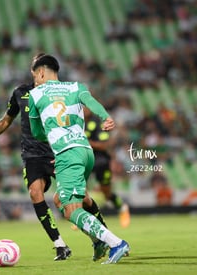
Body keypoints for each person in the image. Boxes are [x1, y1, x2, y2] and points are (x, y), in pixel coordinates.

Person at [0, 54, 109, 261]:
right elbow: (6, 120)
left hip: (57, 149)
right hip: (32, 155)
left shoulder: (61, 91)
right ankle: (60, 245)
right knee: (35, 192)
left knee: (81, 199)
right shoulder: (21, 93)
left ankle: (102, 235)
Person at [28, 54, 130, 264]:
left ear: (40, 72)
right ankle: (98, 240)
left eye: (35, 76)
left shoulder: (36, 94)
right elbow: (92, 102)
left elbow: (36, 133)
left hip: (67, 153)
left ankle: (116, 243)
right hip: (85, 151)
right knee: (62, 200)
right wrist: (106, 117)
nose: (35, 80)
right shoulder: (76, 87)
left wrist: (53, 136)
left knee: (72, 211)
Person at [84, 108, 130, 228]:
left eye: (85, 107)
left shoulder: (98, 124)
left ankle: (122, 208)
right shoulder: (76, 122)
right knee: (80, 189)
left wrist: (85, 142)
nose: (83, 109)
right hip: (84, 160)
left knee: (106, 192)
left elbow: (104, 145)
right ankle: (82, 217)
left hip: (100, 161)